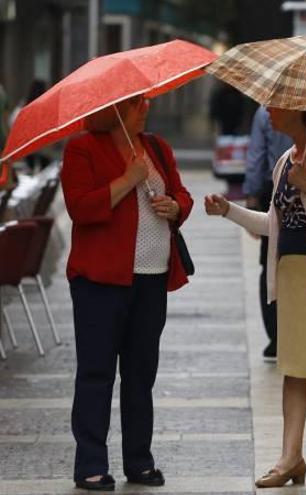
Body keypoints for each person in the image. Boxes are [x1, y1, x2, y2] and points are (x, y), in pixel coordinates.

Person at [205, 109, 306, 490]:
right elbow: (273, 223)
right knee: (293, 369)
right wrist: (229, 211)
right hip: (293, 274)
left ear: (301, 111)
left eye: (277, 105)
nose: (268, 111)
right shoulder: (284, 159)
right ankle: (290, 457)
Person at [60, 94, 194, 491]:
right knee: (96, 373)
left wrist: (175, 206)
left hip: (152, 277)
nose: (146, 108)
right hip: (100, 281)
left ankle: (139, 461)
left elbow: (182, 195)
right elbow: (80, 208)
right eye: (137, 103)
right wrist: (127, 180)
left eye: (147, 101)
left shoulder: (156, 147)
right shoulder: (82, 148)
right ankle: (90, 465)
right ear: (113, 109)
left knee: (140, 375)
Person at [244, 106, 293, 360]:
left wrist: (252, 197)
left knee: (271, 261)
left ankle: (276, 336)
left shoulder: (266, 111)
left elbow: (256, 155)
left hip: (274, 190)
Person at [9, 79, 50, 172]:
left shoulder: (23, 106)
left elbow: (12, 122)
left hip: (26, 147)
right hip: (42, 148)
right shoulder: (45, 106)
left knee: (30, 173)